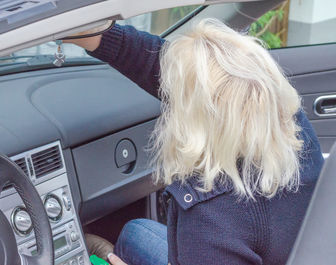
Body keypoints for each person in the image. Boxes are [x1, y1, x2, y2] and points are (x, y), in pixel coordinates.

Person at [65, 18, 324, 265]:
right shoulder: (293, 126)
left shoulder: (210, 221)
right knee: (136, 231)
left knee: (133, 236)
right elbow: (174, 71)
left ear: (193, 118)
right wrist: (101, 35)